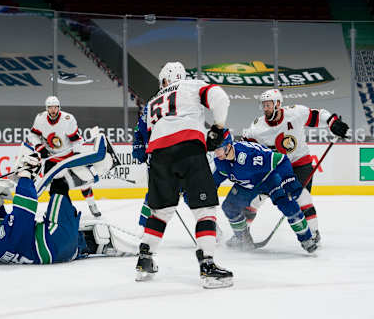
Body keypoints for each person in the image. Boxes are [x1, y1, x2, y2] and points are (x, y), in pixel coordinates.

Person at [135, 61, 233, 289]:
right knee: (204, 210)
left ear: (165, 80)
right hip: (188, 148)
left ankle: (144, 260)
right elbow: (220, 97)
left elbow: (145, 134)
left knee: (160, 212)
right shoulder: (191, 85)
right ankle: (207, 265)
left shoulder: (151, 102)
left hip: (159, 155)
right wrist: (218, 128)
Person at [0, 147, 139, 264]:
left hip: (64, 253)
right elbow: (26, 208)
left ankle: (86, 244)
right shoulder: (6, 238)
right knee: (59, 187)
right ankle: (100, 167)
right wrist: (25, 176)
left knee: (66, 228)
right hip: (54, 240)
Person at [240, 88, 349, 245]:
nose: (265, 108)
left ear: (278, 104)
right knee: (255, 199)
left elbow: (318, 115)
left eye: (268, 105)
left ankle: (313, 233)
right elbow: (247, 145)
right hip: (275, 168)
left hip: (299, 163)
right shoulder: (258, 126)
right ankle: (242, 235)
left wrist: (334, 123)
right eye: (263, 105)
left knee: (300, 196)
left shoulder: (296, 113)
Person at [212, 129, 318, 253]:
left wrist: (288, 179)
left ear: (229, 146)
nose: (216, 152)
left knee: (287, 205)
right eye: (215, 149)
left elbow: (281, 160)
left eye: (219, 148)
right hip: (248, 185)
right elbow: (217, 177)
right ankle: (242, 239)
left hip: (269, 179)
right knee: (229, 207)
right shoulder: (219, 161)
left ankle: (307, 239)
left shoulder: (249, 155)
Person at [29, 96, 101, 217]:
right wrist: (40, 148)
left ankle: (92, 203)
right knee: (55, 187)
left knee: (84, 181)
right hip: (51, 158)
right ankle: (56, 208)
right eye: (50, 107)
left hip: (68, 157)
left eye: (55, 107)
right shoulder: (40, 119)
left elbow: (76, 140)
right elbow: (33, 135)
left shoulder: (68, 119)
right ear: (47, 108)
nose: (53, 110)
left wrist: (77, 155)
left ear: (59, 108)